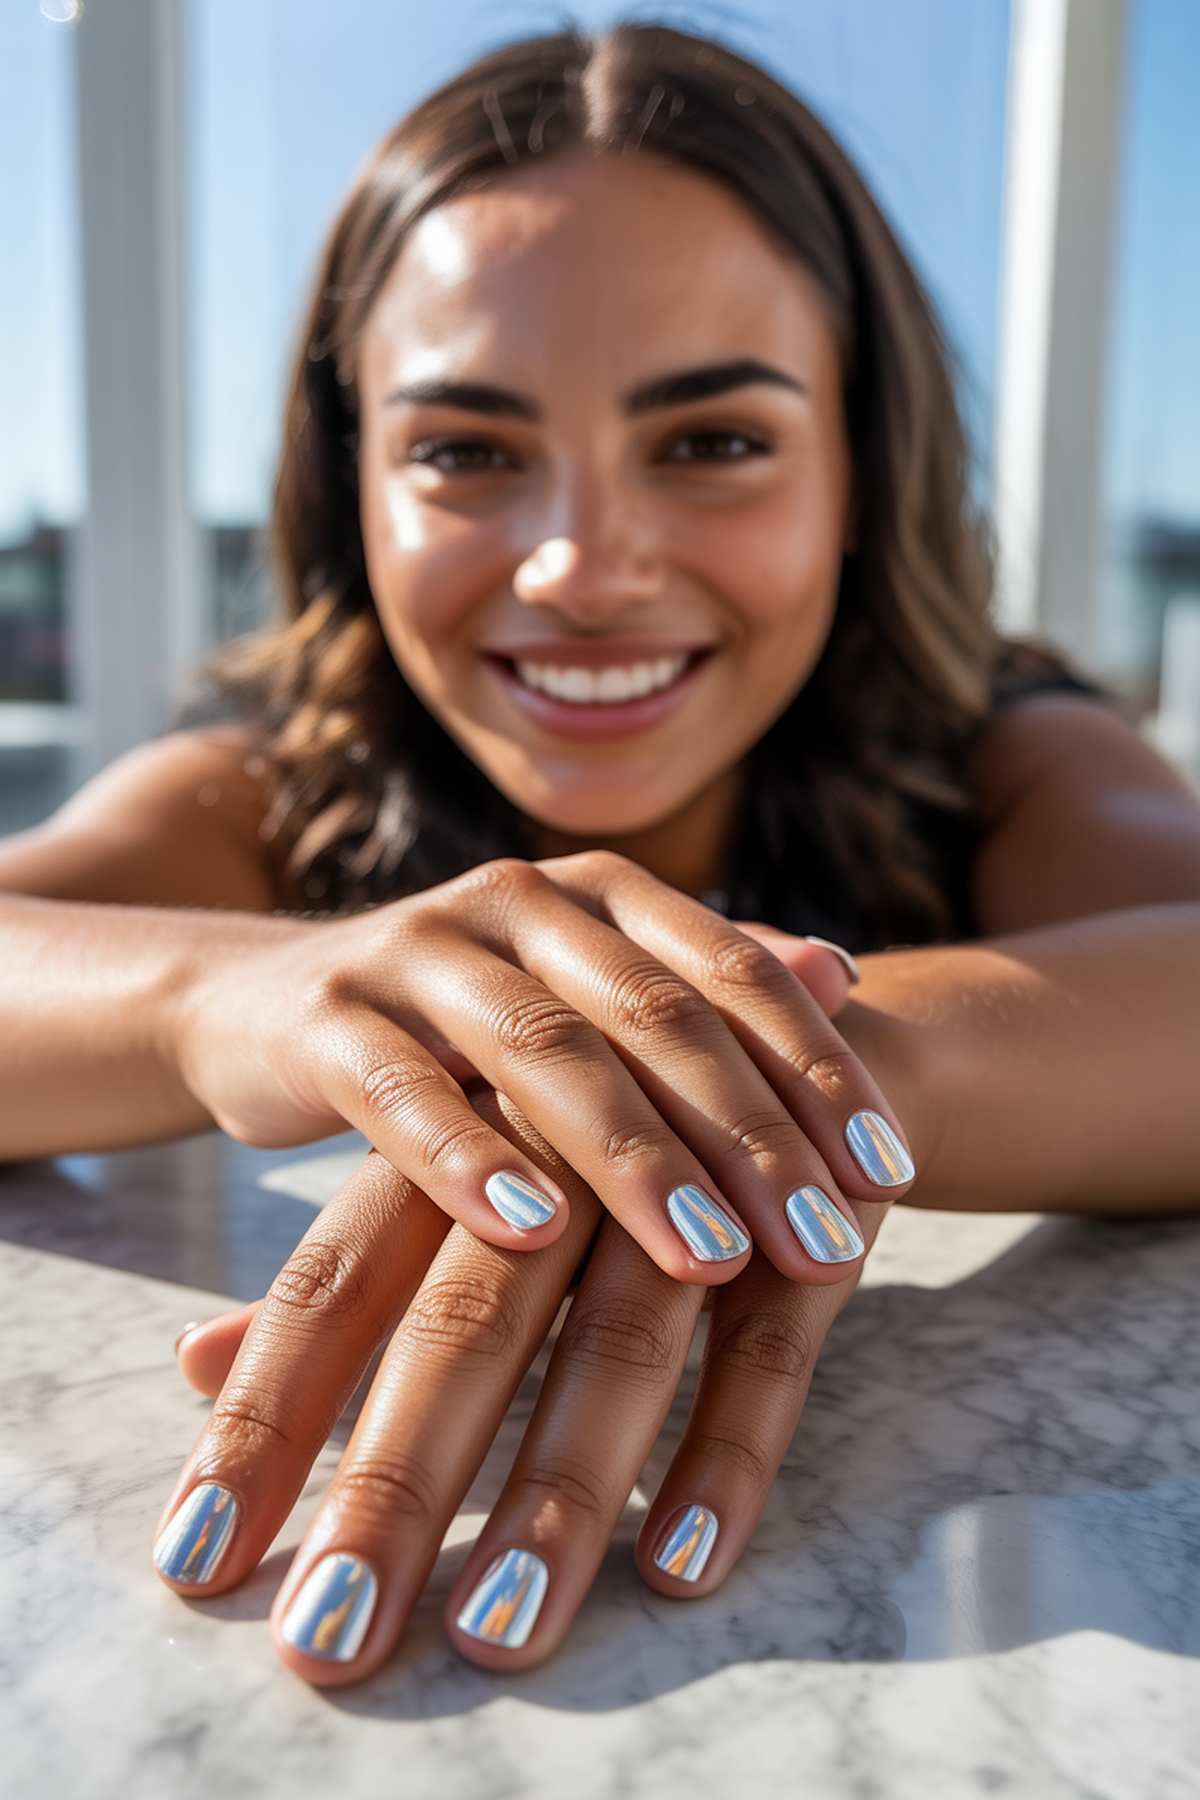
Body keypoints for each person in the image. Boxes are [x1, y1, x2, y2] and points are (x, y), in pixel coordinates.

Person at [3, 23, 1199, 1685]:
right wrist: (236, 992)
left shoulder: (1003, 744)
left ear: (862, 466)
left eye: (712, 440)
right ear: (352, 484)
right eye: (465, 451)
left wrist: (781, 1082)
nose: (578, 565)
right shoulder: (280, 782)